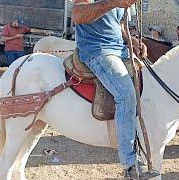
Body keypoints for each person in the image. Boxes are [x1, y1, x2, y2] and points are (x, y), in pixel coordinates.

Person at [72, 0, 159, 178]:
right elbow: (78, 15)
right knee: (126, 95)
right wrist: (113, 2)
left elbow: (117, 24)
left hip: (119, 49)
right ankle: (130, 165)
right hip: (97, 50)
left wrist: (131, 40)